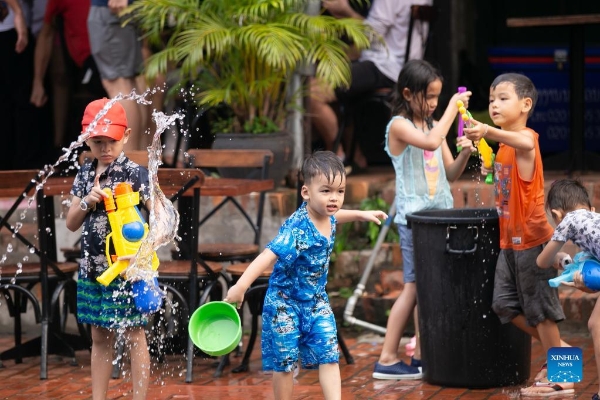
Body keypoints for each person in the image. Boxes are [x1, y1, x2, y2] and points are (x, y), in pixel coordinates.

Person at [224, 150, 388, 400]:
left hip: (315, 301)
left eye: (340, 191)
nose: (334, 198)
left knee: (329, 353)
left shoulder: (327, 214)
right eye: (326, 191)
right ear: (306, 192)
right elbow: (268, 255)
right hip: (284, 303)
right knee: (285, 363)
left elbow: (334, 217)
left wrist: (360, 214)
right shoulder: (297, 228)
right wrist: (241, 286)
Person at [464, 73, 573, 397]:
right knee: (504, 305)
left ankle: (563, 378)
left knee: (541, 313)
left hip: (534, 242)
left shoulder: (525, 138)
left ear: (525, 104)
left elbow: (525, 142)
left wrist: (487, 130)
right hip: (510, 243)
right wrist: (487, 166)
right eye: (491, 100)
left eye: (503, 98)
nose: (494, 105)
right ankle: (563, 351)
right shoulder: (503, 147)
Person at [372, 59, 475, 380]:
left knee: (428, 288)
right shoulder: (399, 126)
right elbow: (430, 143)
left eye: (437, 97)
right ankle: (387, 358)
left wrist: (466, 152)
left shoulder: (433, 126)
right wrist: (453, 107)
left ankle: (420, 355)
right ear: (407, 93)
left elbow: (450, 173)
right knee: (414, 287)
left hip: (438, 218)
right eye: (428, 96)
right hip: (414, 221)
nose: (433, 103)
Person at [66, 98, 150, 400]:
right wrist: (87, 201)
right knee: (99, 335)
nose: (105, 148)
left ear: (126, 136)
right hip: (93, 268)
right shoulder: (85, 174)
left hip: (126, 268)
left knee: (134, 334)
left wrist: (143, 255)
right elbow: (71, 223)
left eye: (111, 141)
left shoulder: (135, 173)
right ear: (86, 140)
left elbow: (162, 217)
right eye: (97, 142)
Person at [311, 0, 432, 172]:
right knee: (337, 80)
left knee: (311, 92)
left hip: (384, 67)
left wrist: (346, 10)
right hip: (405, 68)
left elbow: (371, 36)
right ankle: (355, 156)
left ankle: (338, 157)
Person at [537, 179, 600, 399]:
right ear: (591, 208)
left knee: (597, 324)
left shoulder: (568, 220)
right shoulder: (594, 220)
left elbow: (542, 261)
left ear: (556, 215)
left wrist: (559, 258)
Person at [30, 0, 107, 148]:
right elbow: (46, 35)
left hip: (112, 57)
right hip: (88, 65)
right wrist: (38, 82)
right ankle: (60, 146)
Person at [88, 0, 145, 151]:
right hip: (115, 12)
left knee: (119, 84)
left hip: (111, 10)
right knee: (129, 85)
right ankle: (138, 157)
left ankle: (129, 157)